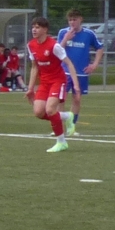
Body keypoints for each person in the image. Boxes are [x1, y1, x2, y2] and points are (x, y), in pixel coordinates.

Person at [24, 17, 75, 153]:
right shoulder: (31, 45)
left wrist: (75, 84)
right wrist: (30, 88)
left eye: (37, 27)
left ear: (45, 29)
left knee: (50, 110)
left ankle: (61, 142)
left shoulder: (54, 46)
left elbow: (68, 63)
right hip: (45, 82)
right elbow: (34, 66)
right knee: (38, 112)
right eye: (33, 27)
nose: (34, 30)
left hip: (58, 81)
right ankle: (66, 116)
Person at [56, 9, 101, 137]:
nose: (72, 22)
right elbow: (57, 49)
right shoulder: (63, 32)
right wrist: (66, 39)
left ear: (81, 19)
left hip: (81, 72)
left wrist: (94, 64)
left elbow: (99, 48)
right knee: (61, 100)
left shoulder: (88, 34)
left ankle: (71, 126)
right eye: (70, 20)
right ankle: (59, 129)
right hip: (65, 72)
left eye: (74, 19)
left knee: (77, 99)